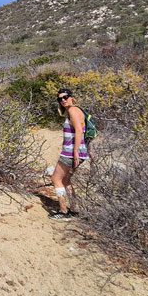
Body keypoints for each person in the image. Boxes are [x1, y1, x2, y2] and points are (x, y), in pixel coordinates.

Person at [50, 88, 88, 219]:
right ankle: (74, 209)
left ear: (72, 97)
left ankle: (63, 211)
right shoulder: (78, 111)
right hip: (78, 152)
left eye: (65, 97)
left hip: (71, 153)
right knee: (66, 180)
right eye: (60, 99)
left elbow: (79, 131)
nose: (63, 100)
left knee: (56, 179)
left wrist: (75, 152)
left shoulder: (73, 110)